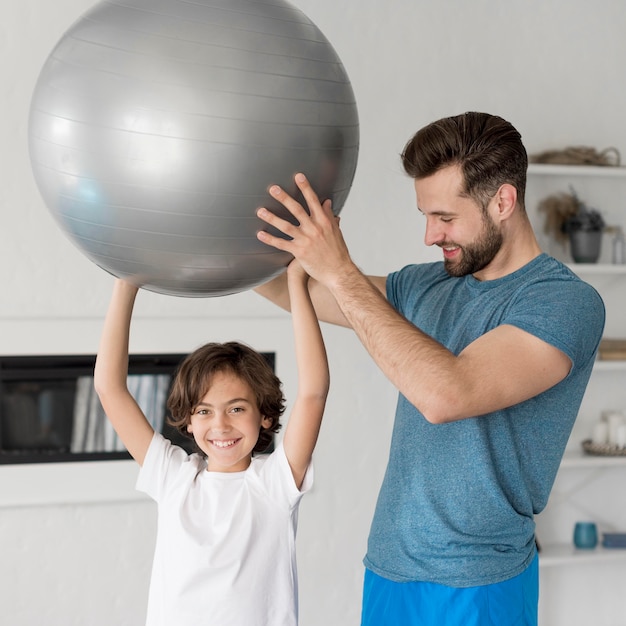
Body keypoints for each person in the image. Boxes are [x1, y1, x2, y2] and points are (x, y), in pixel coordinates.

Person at [254, 111, 605, 626]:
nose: (428, 235)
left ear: (502, 201)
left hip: (479, 581)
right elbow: (292, 288)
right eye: (425, 215)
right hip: (391, 567)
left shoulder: (563, 302)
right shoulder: (425, 285)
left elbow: (448, 394)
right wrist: (228, 230)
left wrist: (340, 269)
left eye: (443, 217)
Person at [93, 259, 329, 626]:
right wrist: (126, 285)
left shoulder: (274, 484)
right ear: (188, 421)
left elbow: (313, 392)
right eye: (204, 411)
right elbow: (110, 389)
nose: (220, 425)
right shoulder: (174, 478)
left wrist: (297, 283)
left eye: (236, 408)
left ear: (265, 415)